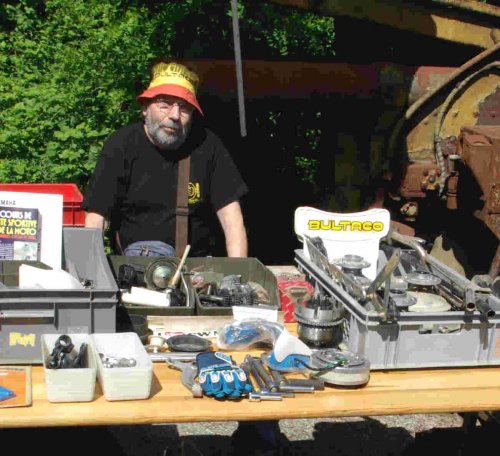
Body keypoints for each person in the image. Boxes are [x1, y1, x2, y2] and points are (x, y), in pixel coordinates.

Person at [82, 61, 248, 258]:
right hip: (135, 270)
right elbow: (97, 217)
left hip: (197, 272)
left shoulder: (208, 145)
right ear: (145, 108)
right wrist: (92, 275)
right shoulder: (121, 145)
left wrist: (238, 277)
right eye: (165, 105)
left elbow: (232, 221)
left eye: (184, 108)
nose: (175, 116)